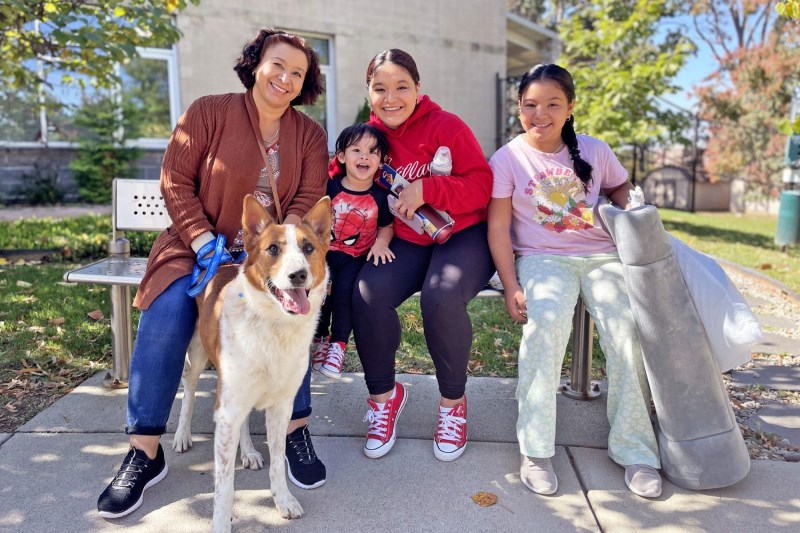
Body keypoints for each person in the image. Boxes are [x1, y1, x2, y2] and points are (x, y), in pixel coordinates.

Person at [97, 29, 330, 519]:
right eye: (277, 65)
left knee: (293, 313)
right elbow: (175, 180)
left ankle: (294, 430)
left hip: (268, 254)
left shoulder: (309, 135)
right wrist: (205, 242)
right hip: (194, 245)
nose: (284, 79)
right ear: (255, 63)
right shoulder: (208, 112)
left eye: (297, 73)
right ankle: (144, 451)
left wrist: (275, 248)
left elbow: (310, 203)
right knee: (165, 311)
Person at [487, 63, 662, 498]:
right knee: (545, 328)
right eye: (530, 105)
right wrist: (511, 284)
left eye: (552, 104)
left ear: (570, 108)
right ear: (519, 107)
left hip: (603, 257)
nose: (539, 114)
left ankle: (636, 450)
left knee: (627, 333)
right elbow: (498, 227)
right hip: (543, 260)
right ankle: (536, 449)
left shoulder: (595, 150)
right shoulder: (508, 158)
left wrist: (631, 209)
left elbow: (623, 191)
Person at [351, 49, 495, 462]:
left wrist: (429, 189)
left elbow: (481, 184)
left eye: (401, 87)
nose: (390, 97)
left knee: (442, 296)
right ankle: (384, 397)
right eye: (380, 88)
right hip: (408, 240)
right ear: (369, 92)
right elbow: (344, 178)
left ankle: (453, 405)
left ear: (418, 89)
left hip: (464, 234)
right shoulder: (368, 138)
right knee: (367, 292)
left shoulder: (446, 126)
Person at [311, 123, 395, 379]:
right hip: (324, 255)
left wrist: (381, 243)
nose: (364, 156)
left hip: (355, 258)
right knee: (320, 294)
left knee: (345, 293)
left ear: (381, 161)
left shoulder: (380, 196)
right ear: (341, 156)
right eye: (356, 150)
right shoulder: (330, 188)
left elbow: (387, 226)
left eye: (372, 151)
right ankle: (319, 339)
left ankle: (338, 346)